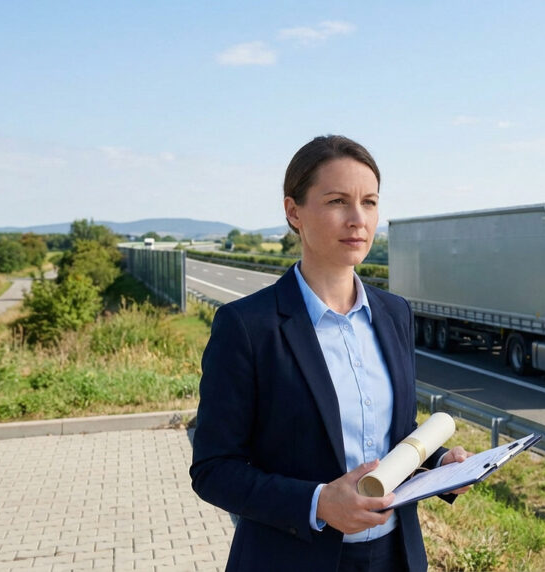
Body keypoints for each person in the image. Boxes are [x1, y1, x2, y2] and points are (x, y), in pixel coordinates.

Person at [191, 135, 471, 571]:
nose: (358, 219)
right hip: (291, 559)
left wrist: (439, 466)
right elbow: (214, 468)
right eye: (338, 201)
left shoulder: (395, 313)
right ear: (293, 212)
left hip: (396, 556)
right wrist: (318, 503)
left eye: (370, 202)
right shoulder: (247, 326)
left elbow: (393, 433)